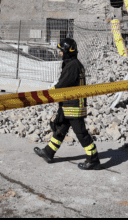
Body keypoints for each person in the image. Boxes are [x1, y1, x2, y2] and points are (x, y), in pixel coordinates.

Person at [33, 37, 101, 170]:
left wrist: (50, 92)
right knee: (60, 128)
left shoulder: (73, 66)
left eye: (61, 51)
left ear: (67, 52)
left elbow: (62, 84)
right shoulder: (72, 63)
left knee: (81, 133)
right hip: (69, 104)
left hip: (74, 106)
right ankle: (48, 152)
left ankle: (93, 159)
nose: (59, 53)